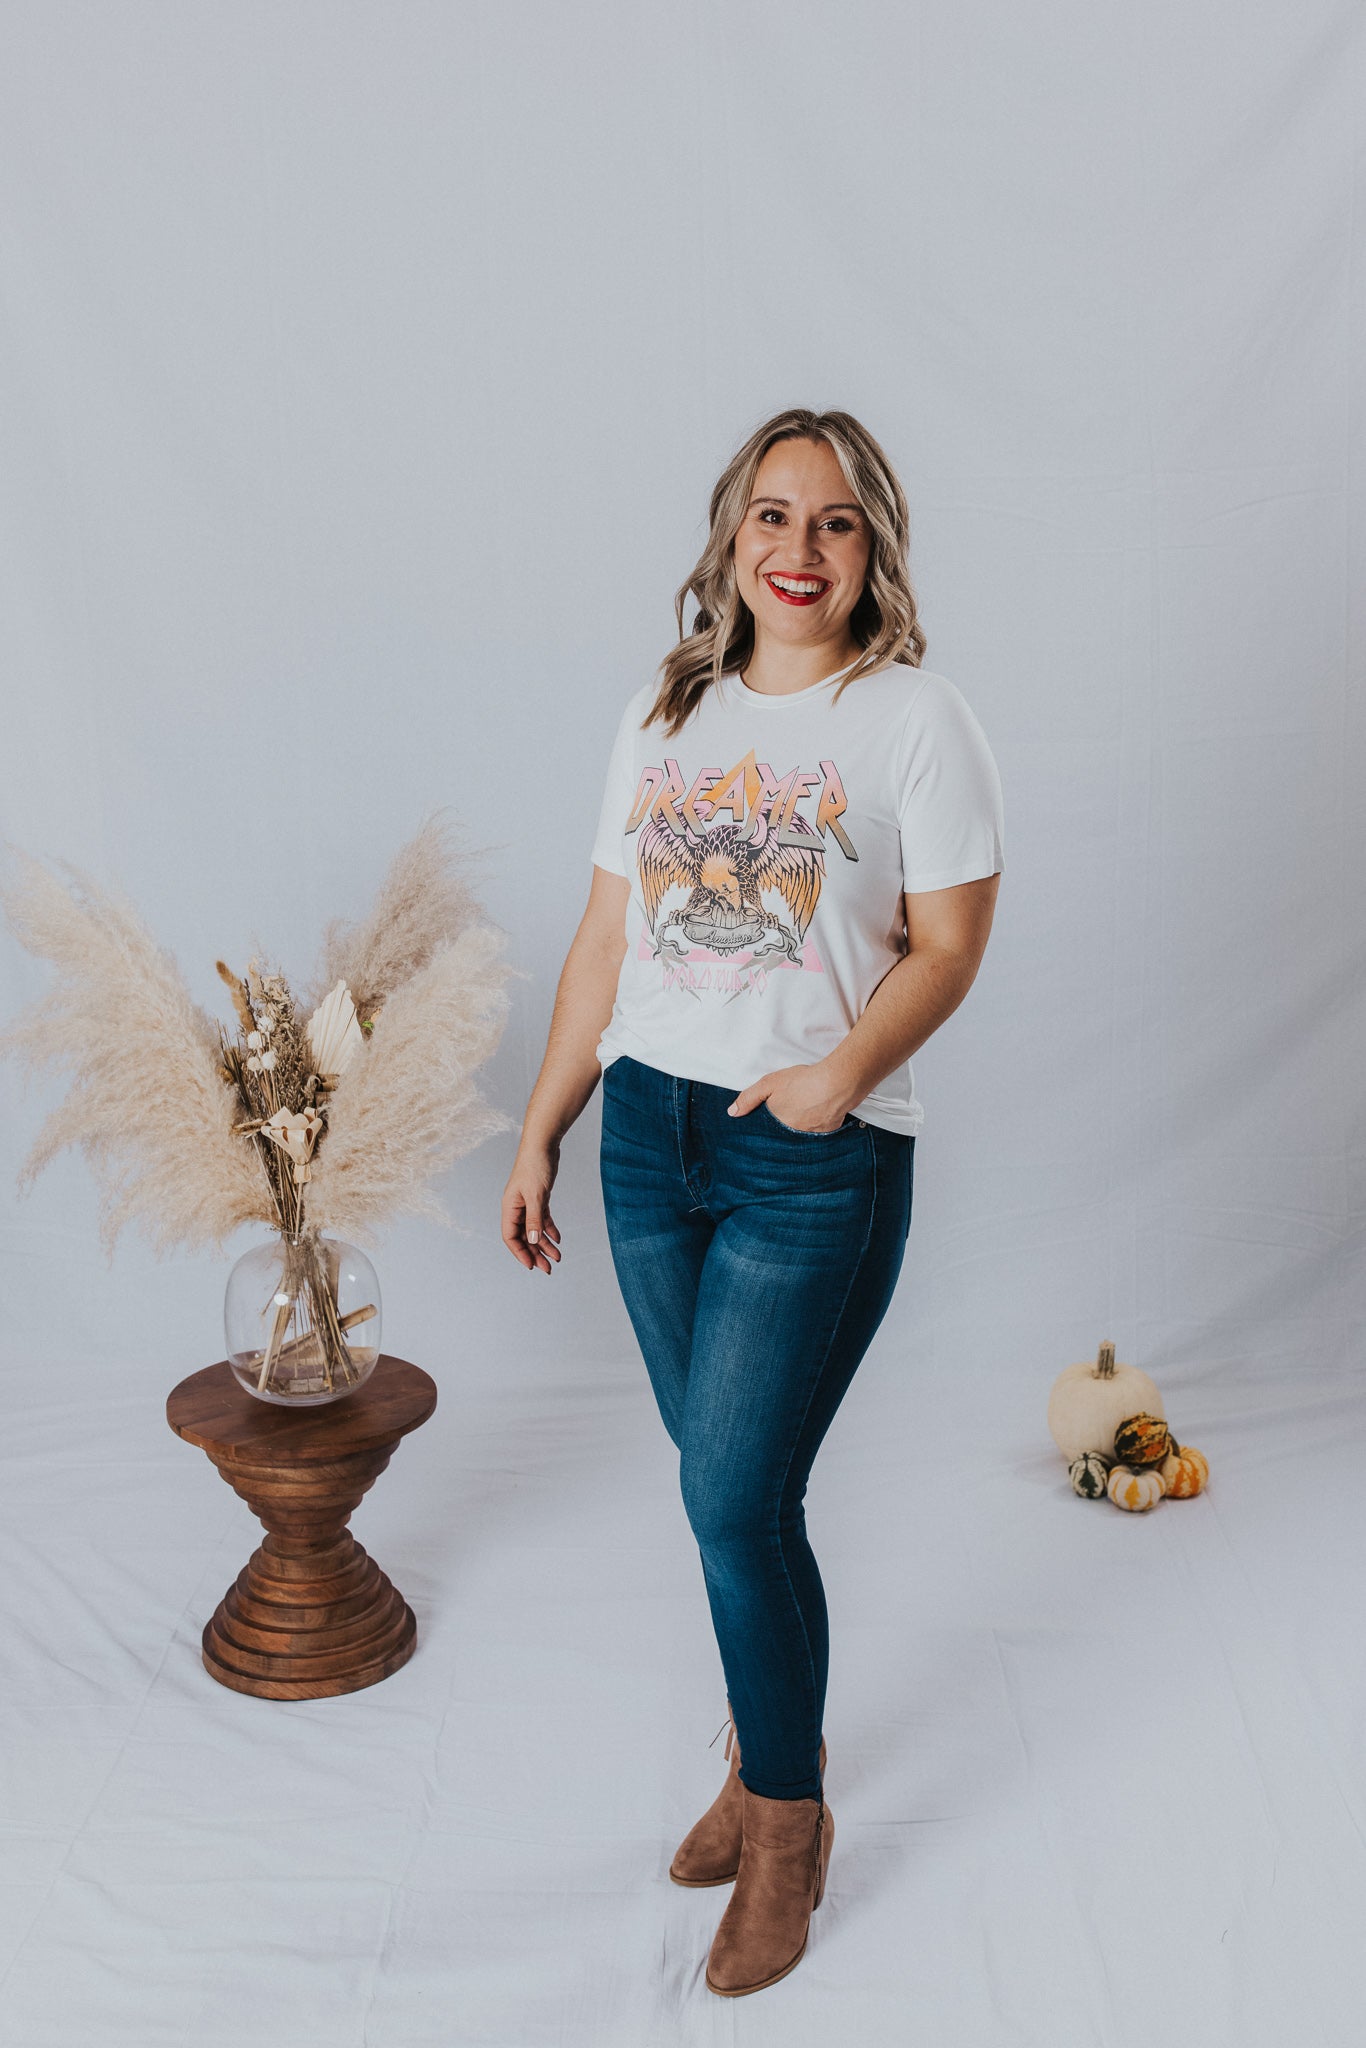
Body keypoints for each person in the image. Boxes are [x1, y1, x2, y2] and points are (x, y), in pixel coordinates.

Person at [501, 406, 1004, 1997]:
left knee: (731, 1501)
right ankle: (767, 1749)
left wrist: (832, 1078)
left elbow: (948, 946)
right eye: (773, 516)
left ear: (872, 551)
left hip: (808, 1154)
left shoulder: (913, 718)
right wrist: (543, 1128)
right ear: (730, 536)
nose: (799, 549)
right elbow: (604, 941)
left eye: (834, 522)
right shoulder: (666, 713)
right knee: (730, 1493)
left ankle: (785, 1822)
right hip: (648, 1140)